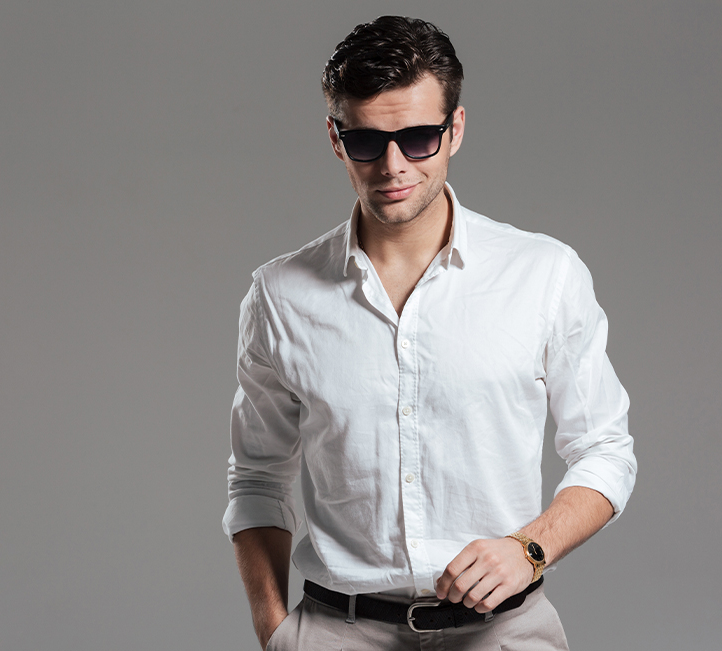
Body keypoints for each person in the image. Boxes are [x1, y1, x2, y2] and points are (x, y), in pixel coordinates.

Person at [223, 15, 636, 651]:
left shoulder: (544, 274)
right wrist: (274, 630)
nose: (393, 166)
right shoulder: (280, 296)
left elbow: (605, 449)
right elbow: (256, 478)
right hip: (336, 631)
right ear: (336, 138)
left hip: (504, 630)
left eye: (418, 138)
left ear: (455, 129)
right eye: (367, 141)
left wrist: (529, 549)